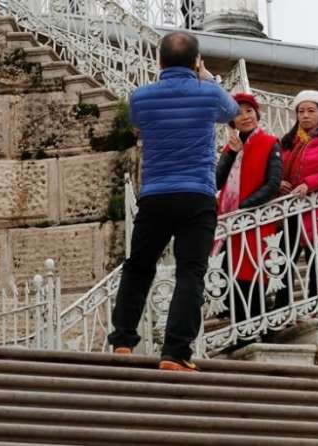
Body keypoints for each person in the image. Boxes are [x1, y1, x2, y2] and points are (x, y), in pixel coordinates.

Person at [107, 32, 239, 372]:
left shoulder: (141, 97)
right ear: (196, 61)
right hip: (196, 194)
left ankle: (122, 341)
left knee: (138, 266)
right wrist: (206, 76)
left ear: (159, 61)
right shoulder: (208, 93)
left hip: (155, 194)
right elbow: (234, 111)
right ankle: (175, 352)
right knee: (190, 272)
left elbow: (138, 125)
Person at [213, 93, 282, 337]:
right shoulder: (231, 146)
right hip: (230, 224)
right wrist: (231, 153)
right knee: (231, 276)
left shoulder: (270, 142)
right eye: (238, 113)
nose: (245, 116)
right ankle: (242, 331)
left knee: (251, 276)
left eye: (249, 111)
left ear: (257, 114)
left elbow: (272, 184)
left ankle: (253, 331)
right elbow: (217, 181)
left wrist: (244, 207)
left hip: (255, 220)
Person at [274, 90, 318, 309]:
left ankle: (316, 305)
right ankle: (281, 309)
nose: (305, 115)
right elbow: (274, 170)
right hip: (290, 210)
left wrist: (309, 183)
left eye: (311, 111)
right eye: (301, 111)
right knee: (285, 261)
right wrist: (278, 182)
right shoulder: (287, 142)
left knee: (316, 261)